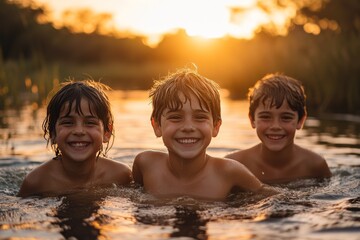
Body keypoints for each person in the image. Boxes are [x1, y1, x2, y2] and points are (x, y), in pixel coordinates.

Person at [132, 67, 266, 200]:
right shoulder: (146, 165)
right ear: (156, 125)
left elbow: (271, 197)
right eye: (176, 117)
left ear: (216, 126)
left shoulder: (229, 172)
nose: (188, 127)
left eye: (200, 117)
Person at [18, 80, 132, 197]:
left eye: (90, 123)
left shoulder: (120, 175)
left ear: (107, 132)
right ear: (53, 132)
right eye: (68, 123)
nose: (79, 131)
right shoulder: (36, 181)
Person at [225, 73, 332, 184]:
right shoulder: (235, 164)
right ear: (252, 120)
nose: (275, 126)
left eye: (286, 118)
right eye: (266, 117)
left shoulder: (315, 165)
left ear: (300, 121)